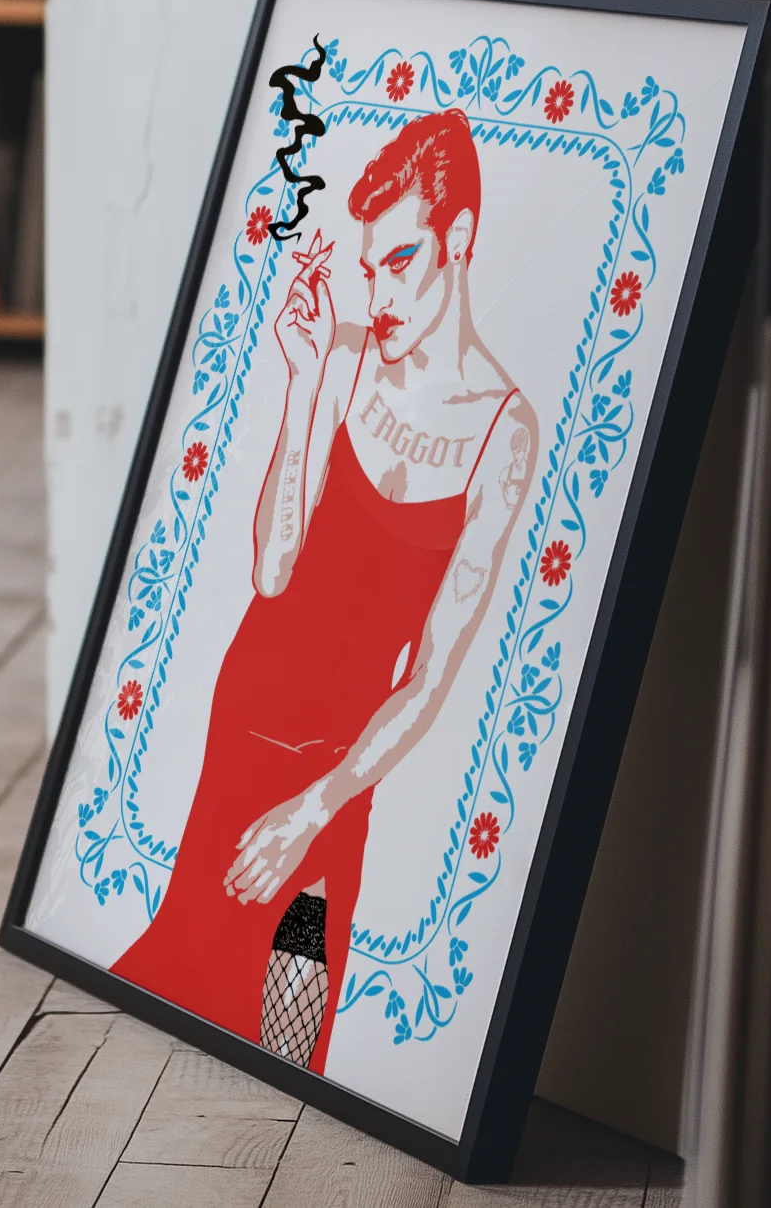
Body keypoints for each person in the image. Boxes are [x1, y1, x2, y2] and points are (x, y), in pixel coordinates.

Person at [113, 110, 539, 1071]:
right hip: (248, 716)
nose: (378, 294)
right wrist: (304, 384)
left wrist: (318, 805)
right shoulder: (343, 355)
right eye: (368, 268)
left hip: (345, 765)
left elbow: (430, 677)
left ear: (459, 239)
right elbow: (273, 571)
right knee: (191, 973)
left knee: (292, 1026)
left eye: (401, 261)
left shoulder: (504, 434)